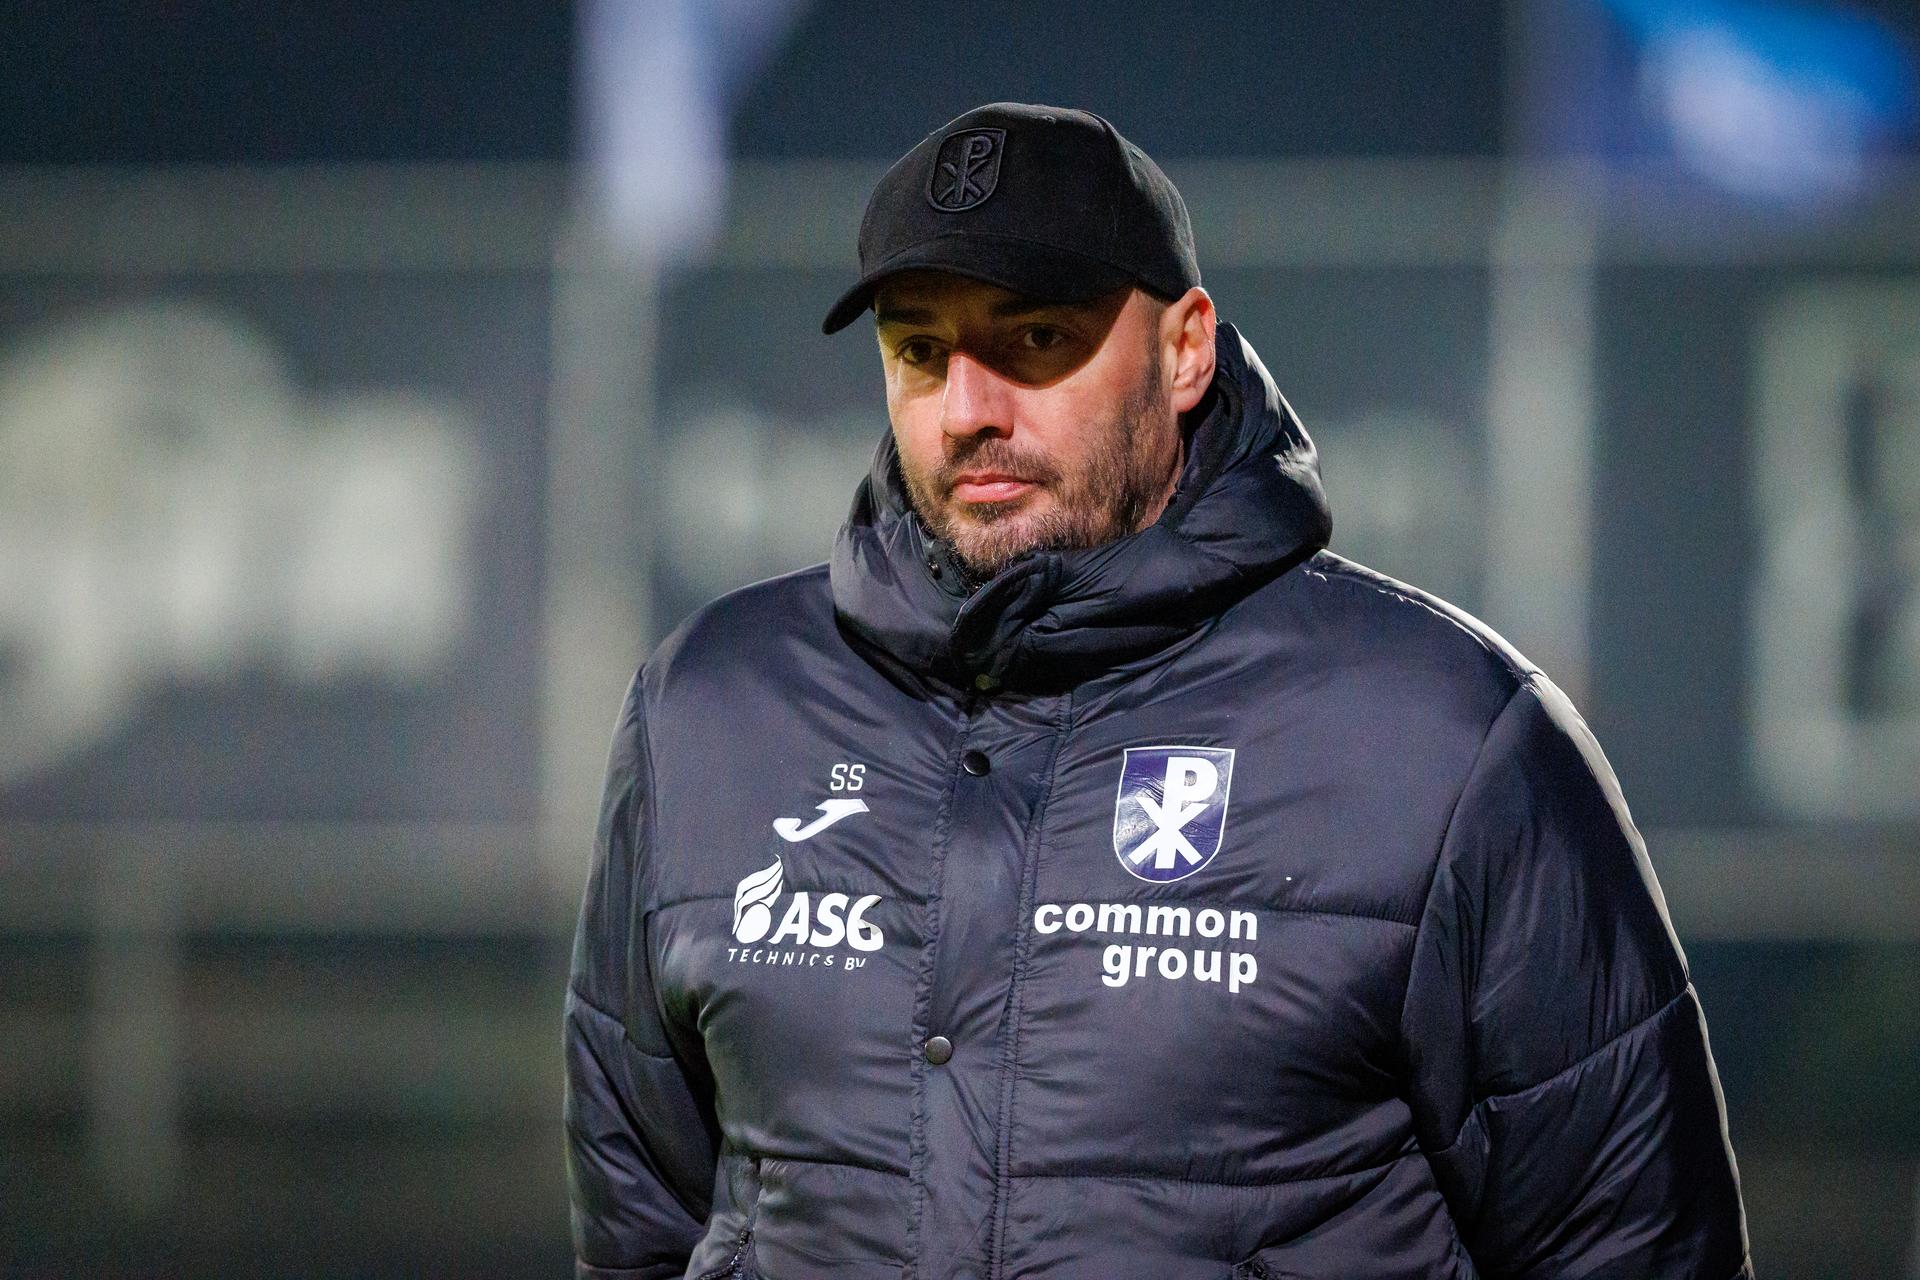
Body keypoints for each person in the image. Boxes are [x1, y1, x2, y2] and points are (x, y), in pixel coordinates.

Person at [564, 102, 1751, 1280]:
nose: (968, 410)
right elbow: (643, 1226)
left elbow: (1637, 1245)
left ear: (1184, 350)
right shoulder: (707, 709)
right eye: (921, 351)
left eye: (1035, 339)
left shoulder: (1449, 739)